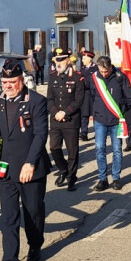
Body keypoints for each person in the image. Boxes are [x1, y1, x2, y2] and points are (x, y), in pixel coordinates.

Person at [0, 60, 50, 261]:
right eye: (5, 82)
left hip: (30, 169)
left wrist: (30, 163)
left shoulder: (36, 101)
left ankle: (35, 245)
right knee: (8, 218)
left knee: (33, 214)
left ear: (22, 80)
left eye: (13, 82)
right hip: (6, 170)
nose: (8, 86)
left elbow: (40, 135)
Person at [90, 56, 131, 191]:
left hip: (116, 121)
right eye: (101, 71)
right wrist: (97, 111)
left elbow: (130, 97)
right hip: (100, 120)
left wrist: (122, 111)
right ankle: (102, 179)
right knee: (99, 148)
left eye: (106, 71)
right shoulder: (94, 78)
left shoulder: (120, 77)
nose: (104, 74)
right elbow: (92, 96)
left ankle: (116, 178)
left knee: (116, 150)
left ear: (111, 67)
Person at [47, 50, 85, 192]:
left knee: (72, 151)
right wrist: (56, 112)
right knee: (54, 148)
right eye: (57, 60)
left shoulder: (77, 77)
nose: (58, 63)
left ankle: (71, 178)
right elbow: (50, 99)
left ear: (68, 61)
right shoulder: (52, 77)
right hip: (56, 120)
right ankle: (64, 170)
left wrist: (65, 112)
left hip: (70, 121)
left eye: (62, 60)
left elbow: (79, 99)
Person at [79, 51, 97, 141]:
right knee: (84, 114)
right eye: (82, 58)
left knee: (95, 114)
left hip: (93, 94)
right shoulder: (82, 69)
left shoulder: (95, 68)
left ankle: (97, 133)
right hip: (85, 95)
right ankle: (84, 133)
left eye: (84, 58)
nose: (82, 60)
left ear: (89, 59)